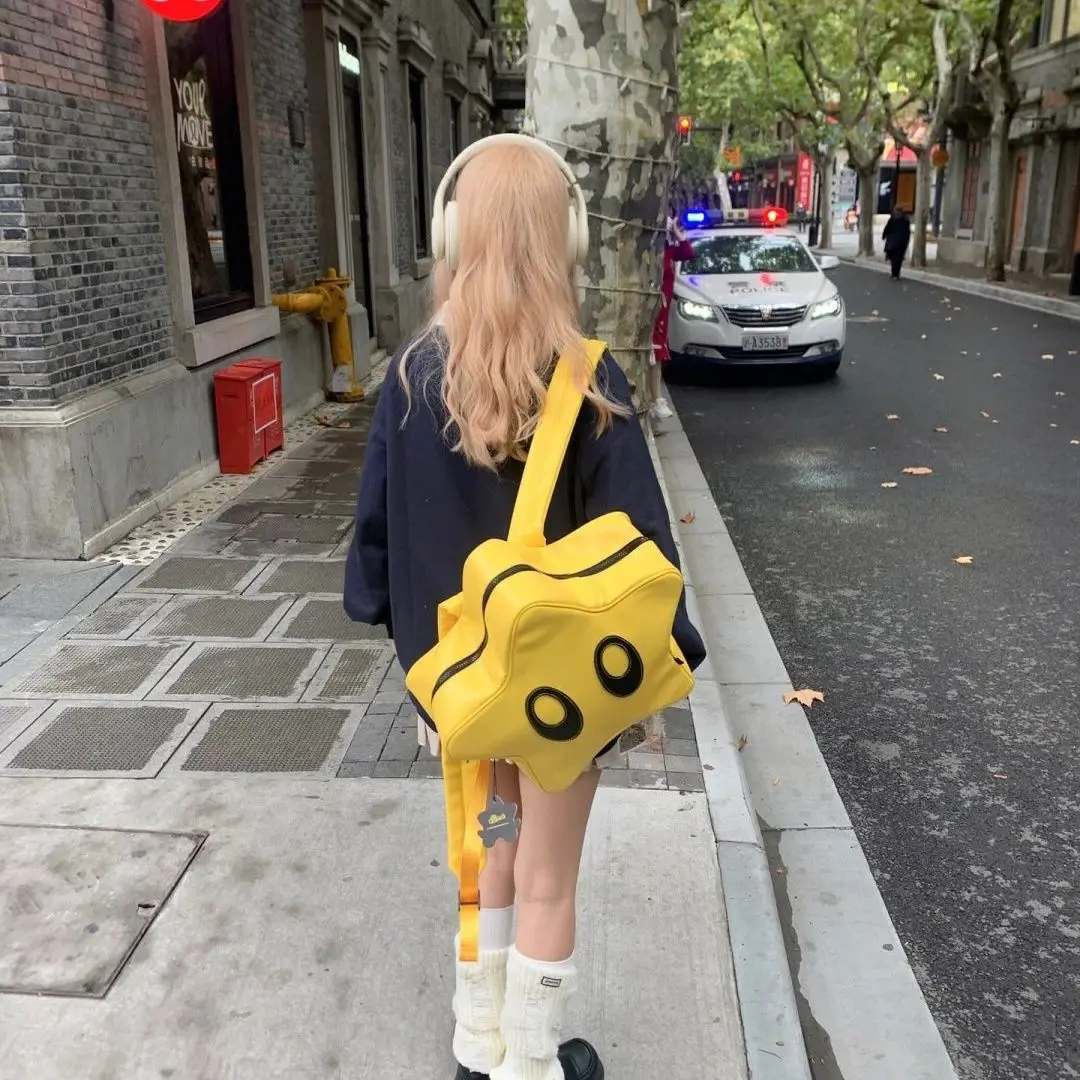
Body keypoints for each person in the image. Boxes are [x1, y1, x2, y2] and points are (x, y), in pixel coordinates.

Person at [344, 136, 706, 1080]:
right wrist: (670, 655)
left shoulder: (411, 379)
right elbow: (644, 550)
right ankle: (534, 1061)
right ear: (568, 242)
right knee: (548, 880)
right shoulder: (590, 382)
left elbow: (374, 547)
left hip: (462, 692)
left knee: (490, 855)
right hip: (559, 703)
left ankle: (479, 1045)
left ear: (451, 236)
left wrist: (407, 643)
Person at [649, 208, 696, 421]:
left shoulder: (669, 251)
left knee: (657, 355)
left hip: (664, 311)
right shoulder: (652, 252)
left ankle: (654, 399)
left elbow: (688, 253)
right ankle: (655, 399)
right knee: (654, 355)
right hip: (654, 309)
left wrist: (676, 231)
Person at [883, 205, 911, 280]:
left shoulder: (893, 218)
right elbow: (907, 231)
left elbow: (887, 228)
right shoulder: (905, 219)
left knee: (893, 259)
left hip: (892, 241)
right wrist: (907, 240)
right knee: (898, 259)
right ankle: (896, 274)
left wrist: (884, 235)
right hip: (901, 241)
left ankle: (893, 273)